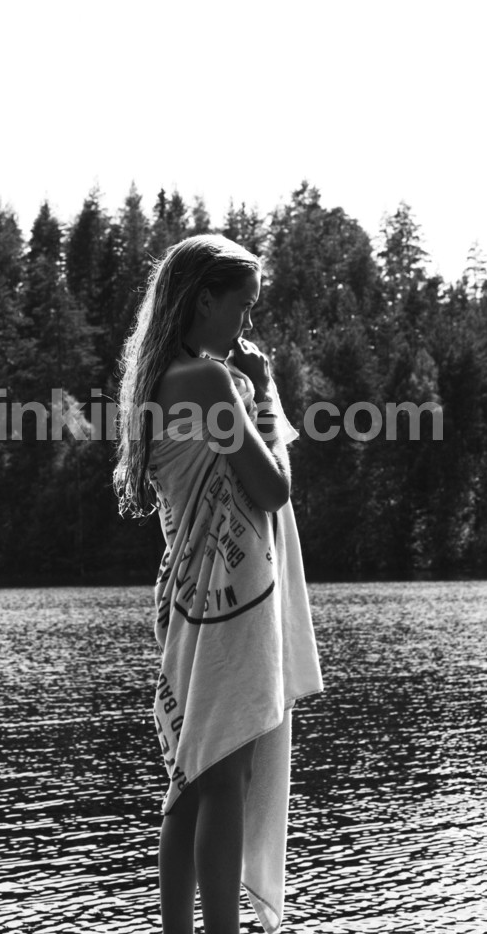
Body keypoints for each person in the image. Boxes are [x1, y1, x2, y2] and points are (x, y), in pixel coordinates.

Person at [114, 234, 323, 934]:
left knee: (192, 780)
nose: (247, 324)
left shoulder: (158, 379)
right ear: (205, 300)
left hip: (185, 597)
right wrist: (266, 390)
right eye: (242, 306)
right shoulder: (209, 383)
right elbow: (272, 488)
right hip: (230, 600)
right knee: (226, 778)